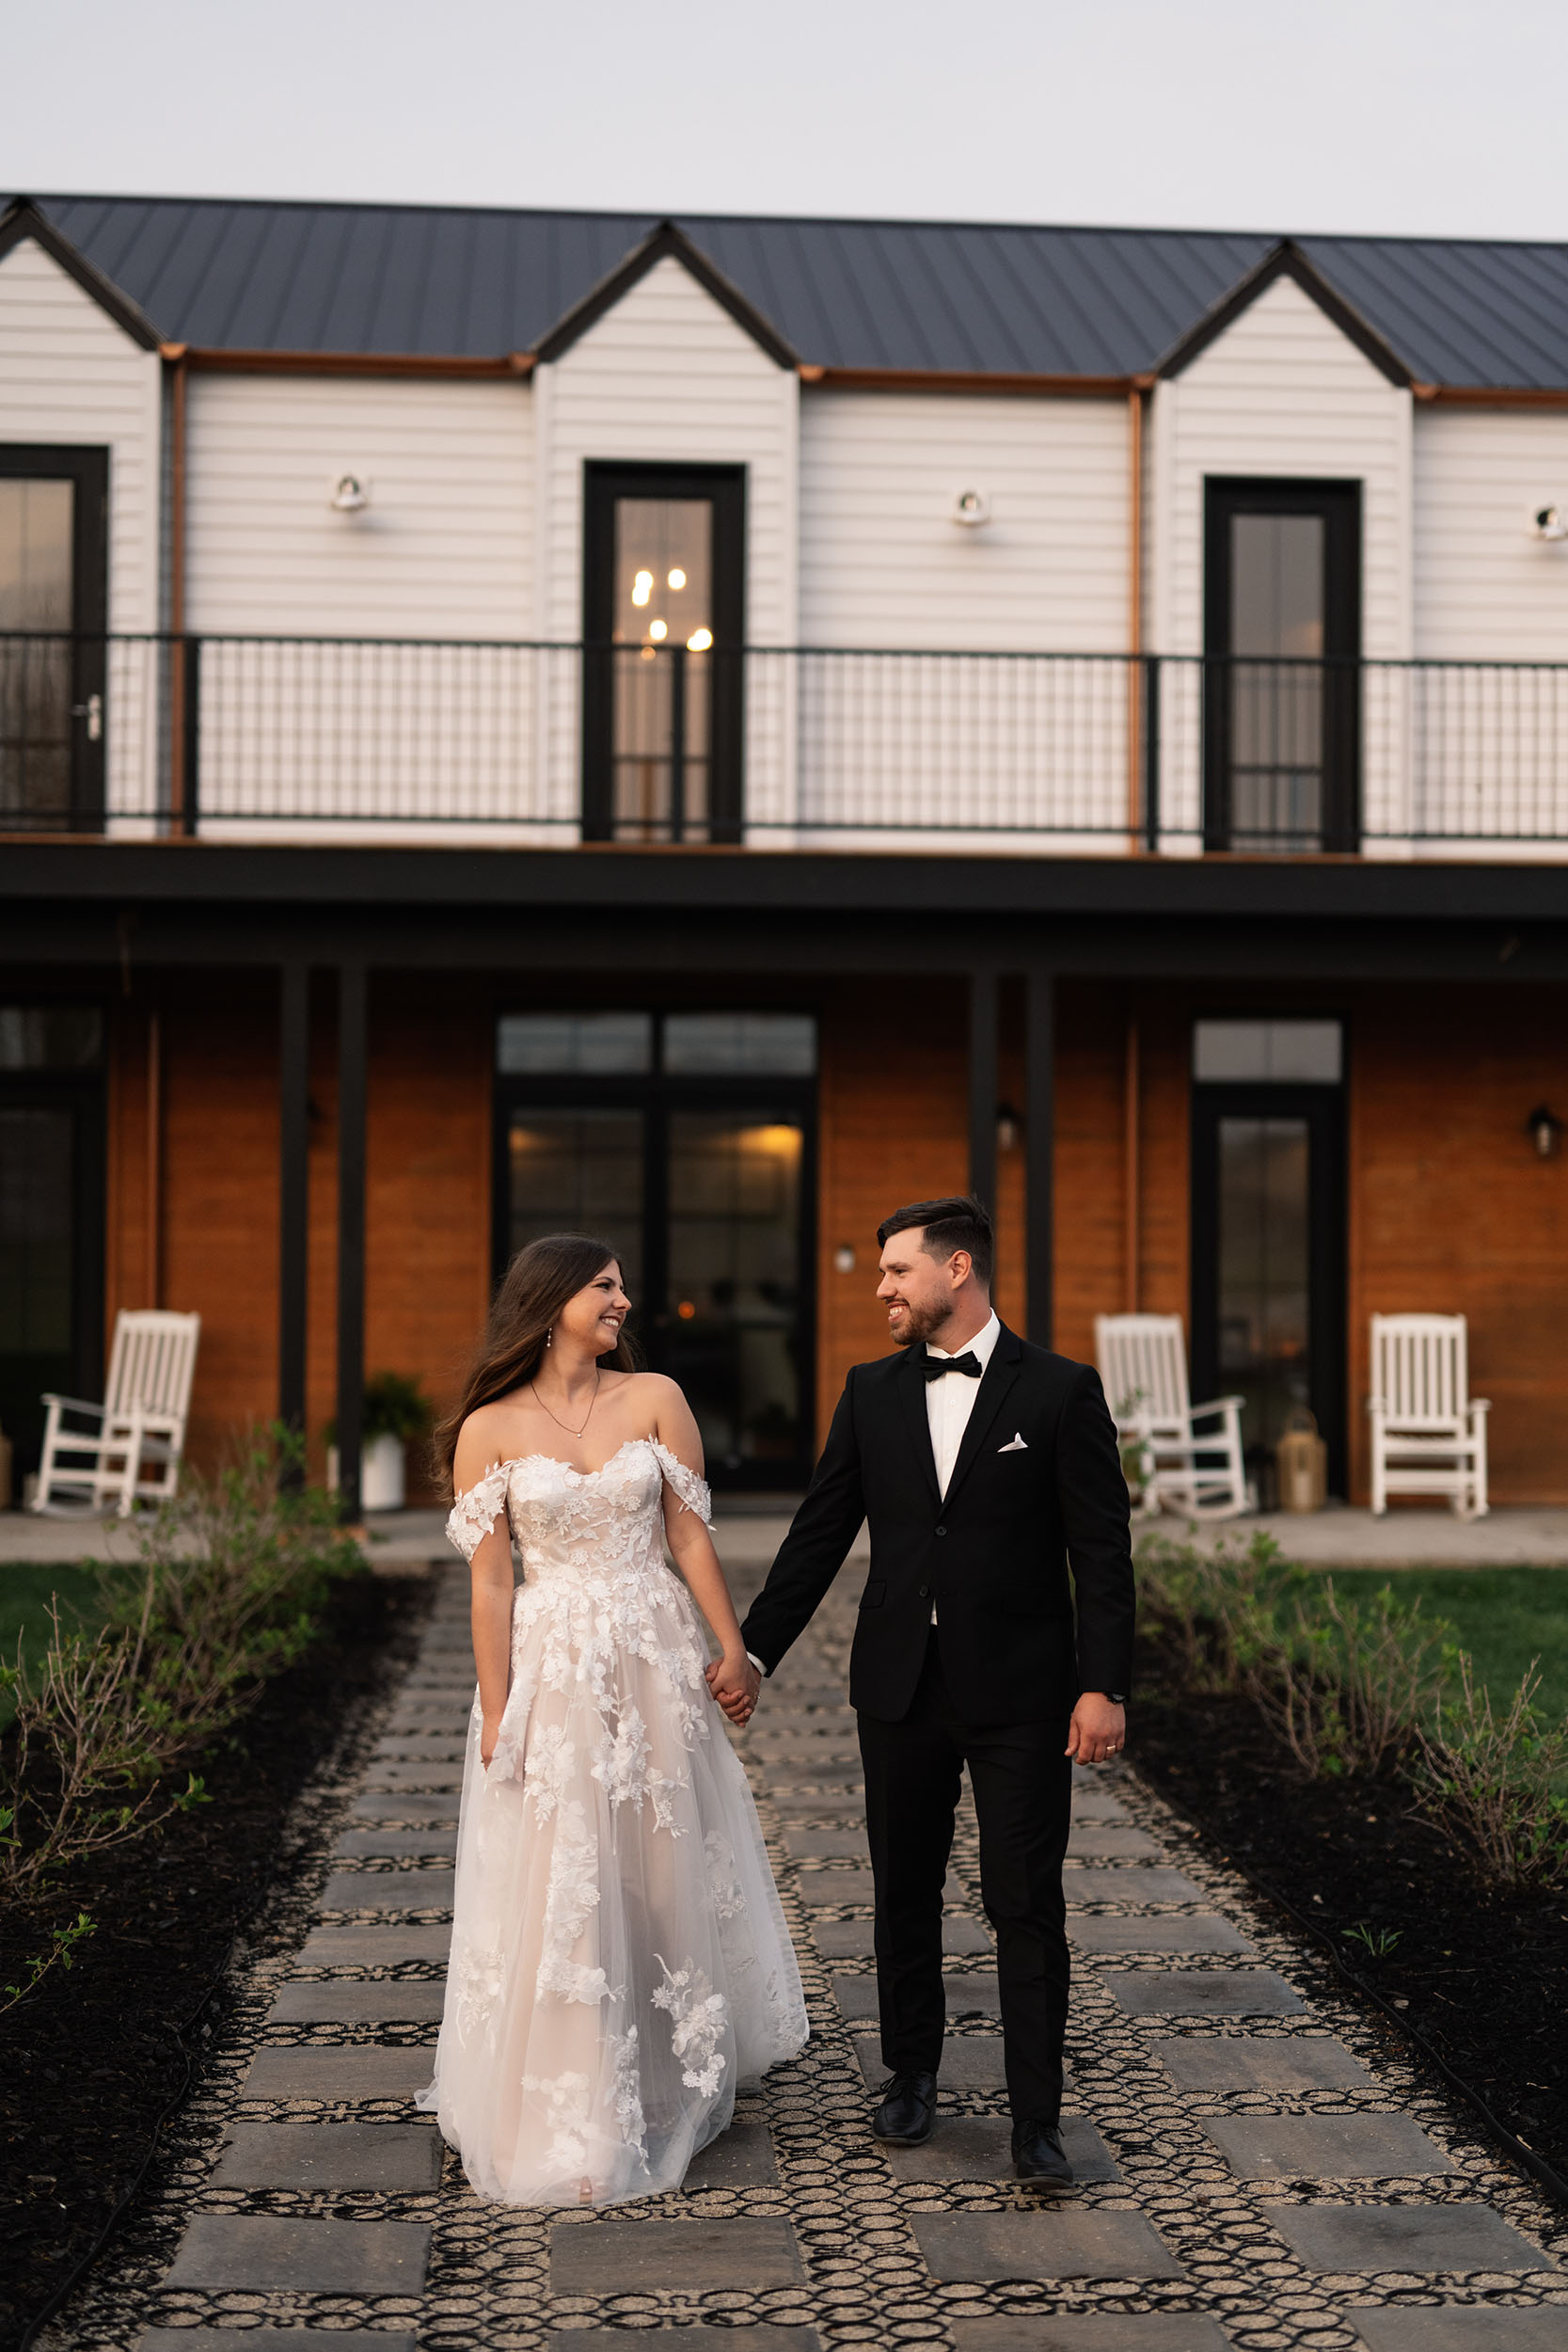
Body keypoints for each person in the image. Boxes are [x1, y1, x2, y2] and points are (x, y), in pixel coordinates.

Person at [729, 1196, 1133, 2186]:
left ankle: (1036, 2122)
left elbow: (1101, 1551)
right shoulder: (868, 1391)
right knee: (900, 1888)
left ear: (958, 1269)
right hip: (898, 1685)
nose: (880, 1290)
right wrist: (751, 1653)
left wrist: (1103, 1686)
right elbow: (819, 1533)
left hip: (1023, 1693)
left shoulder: (1059, 1391)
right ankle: (910, 2074)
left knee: (1021, 1899)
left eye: (896, 1272)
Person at [419, 1233, 807, 2207]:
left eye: (621, 1285)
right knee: (567, 1870)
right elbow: (492, 1580)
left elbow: (686, 1533)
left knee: (664, 1856)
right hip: (551, 1669)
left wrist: (733, 1650)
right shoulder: (489, 1426)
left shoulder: (656, 1398)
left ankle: (678, 2061)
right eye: (605, 1286)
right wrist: (497, 1708)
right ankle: (581, 2094)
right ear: (549, 1303)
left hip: (651, 1653)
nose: (624, 1300)